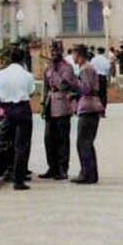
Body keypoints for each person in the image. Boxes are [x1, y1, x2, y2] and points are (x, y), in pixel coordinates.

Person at [0, 44, 36, 190]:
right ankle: (18, 180)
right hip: (22, 109)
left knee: (4, 141)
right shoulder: (27, 75)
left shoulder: (1, 74)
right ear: (23, 59)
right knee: (21, 145)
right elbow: (31, 92)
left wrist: (1, 109)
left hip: (7, 110)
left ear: (10, 59)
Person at [39, 41, 75, 180]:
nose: (54, 54)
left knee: (62, 138)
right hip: (50, 104)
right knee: (49, 138)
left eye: (57, 51)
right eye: (52, 51)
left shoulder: (68, 67)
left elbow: (64, 85)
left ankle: (62, 168)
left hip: (62, 104)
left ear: (62, 52)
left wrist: (53, 71)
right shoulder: (47, 67)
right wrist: (42, 104)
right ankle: (52, 167)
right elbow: (44, 87)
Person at [72, 44, 104, 184]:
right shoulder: (89, 67)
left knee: (82, 142)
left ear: (79, 55)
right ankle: (91, 173)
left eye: (74, 54)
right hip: (92, 105)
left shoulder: (85, 69)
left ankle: (86, 174)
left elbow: (85, 88)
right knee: (88, 142)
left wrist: (73, 85)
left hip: (88, 106)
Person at [89, 45, 112, 113]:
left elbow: (90, 68)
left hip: (95, 77)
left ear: (97, 51)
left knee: (96, 94)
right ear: (104, 52)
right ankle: (103, 110)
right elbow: (108, 69)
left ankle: (96, 110)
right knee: (103, 94)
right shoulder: (106, 60)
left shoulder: (93, 59)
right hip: (103, 77)